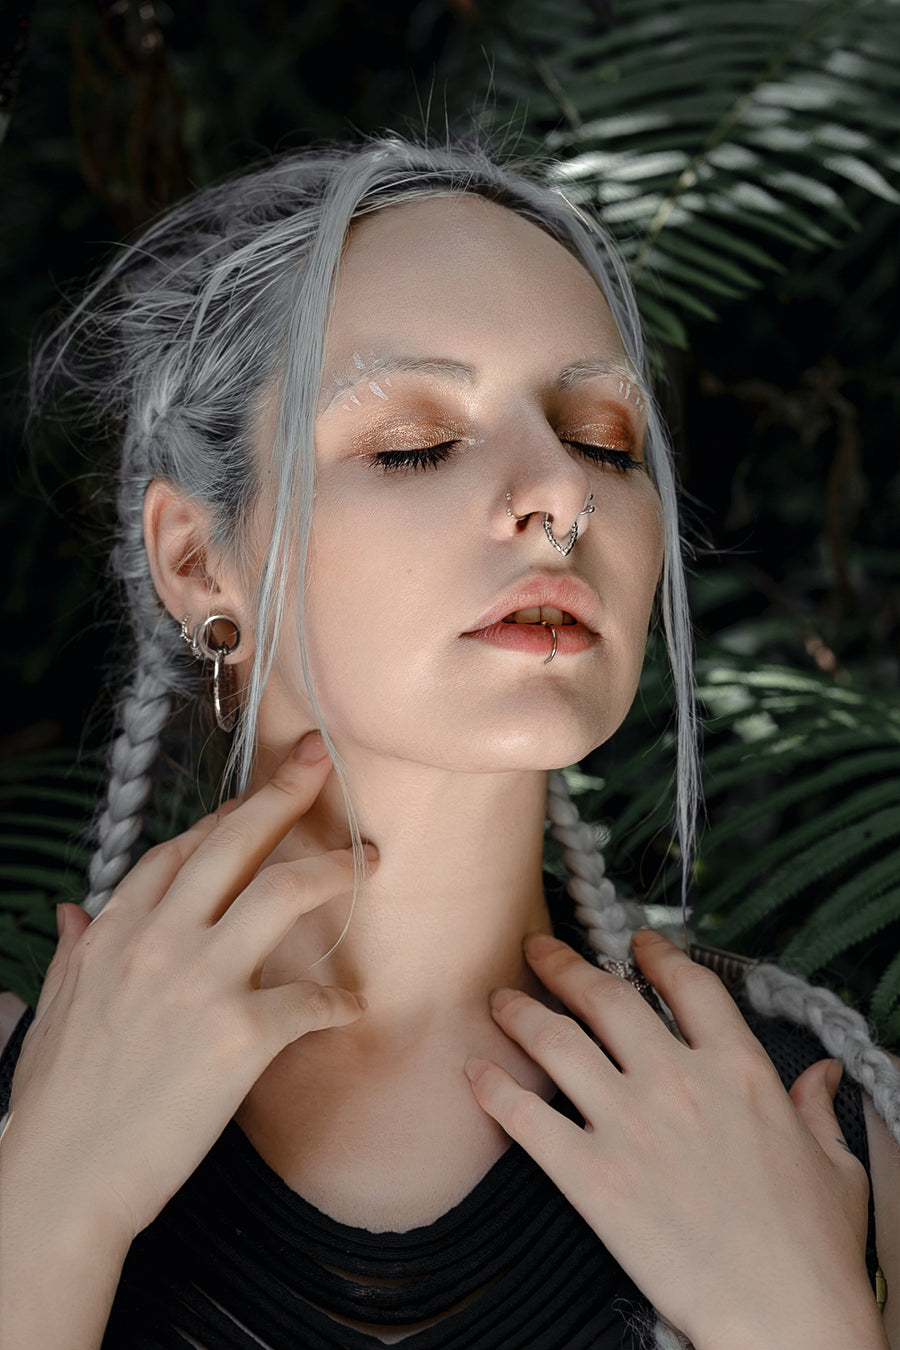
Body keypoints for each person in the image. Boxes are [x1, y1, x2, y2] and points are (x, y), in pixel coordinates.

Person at [0, 138, 898, 1350]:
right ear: (195, 559)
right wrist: (47, 1222)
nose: (556, 495)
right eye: (414, 441)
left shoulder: (804, 1128)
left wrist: (803, 1325)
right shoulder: (23, 1119)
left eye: (603, 439)